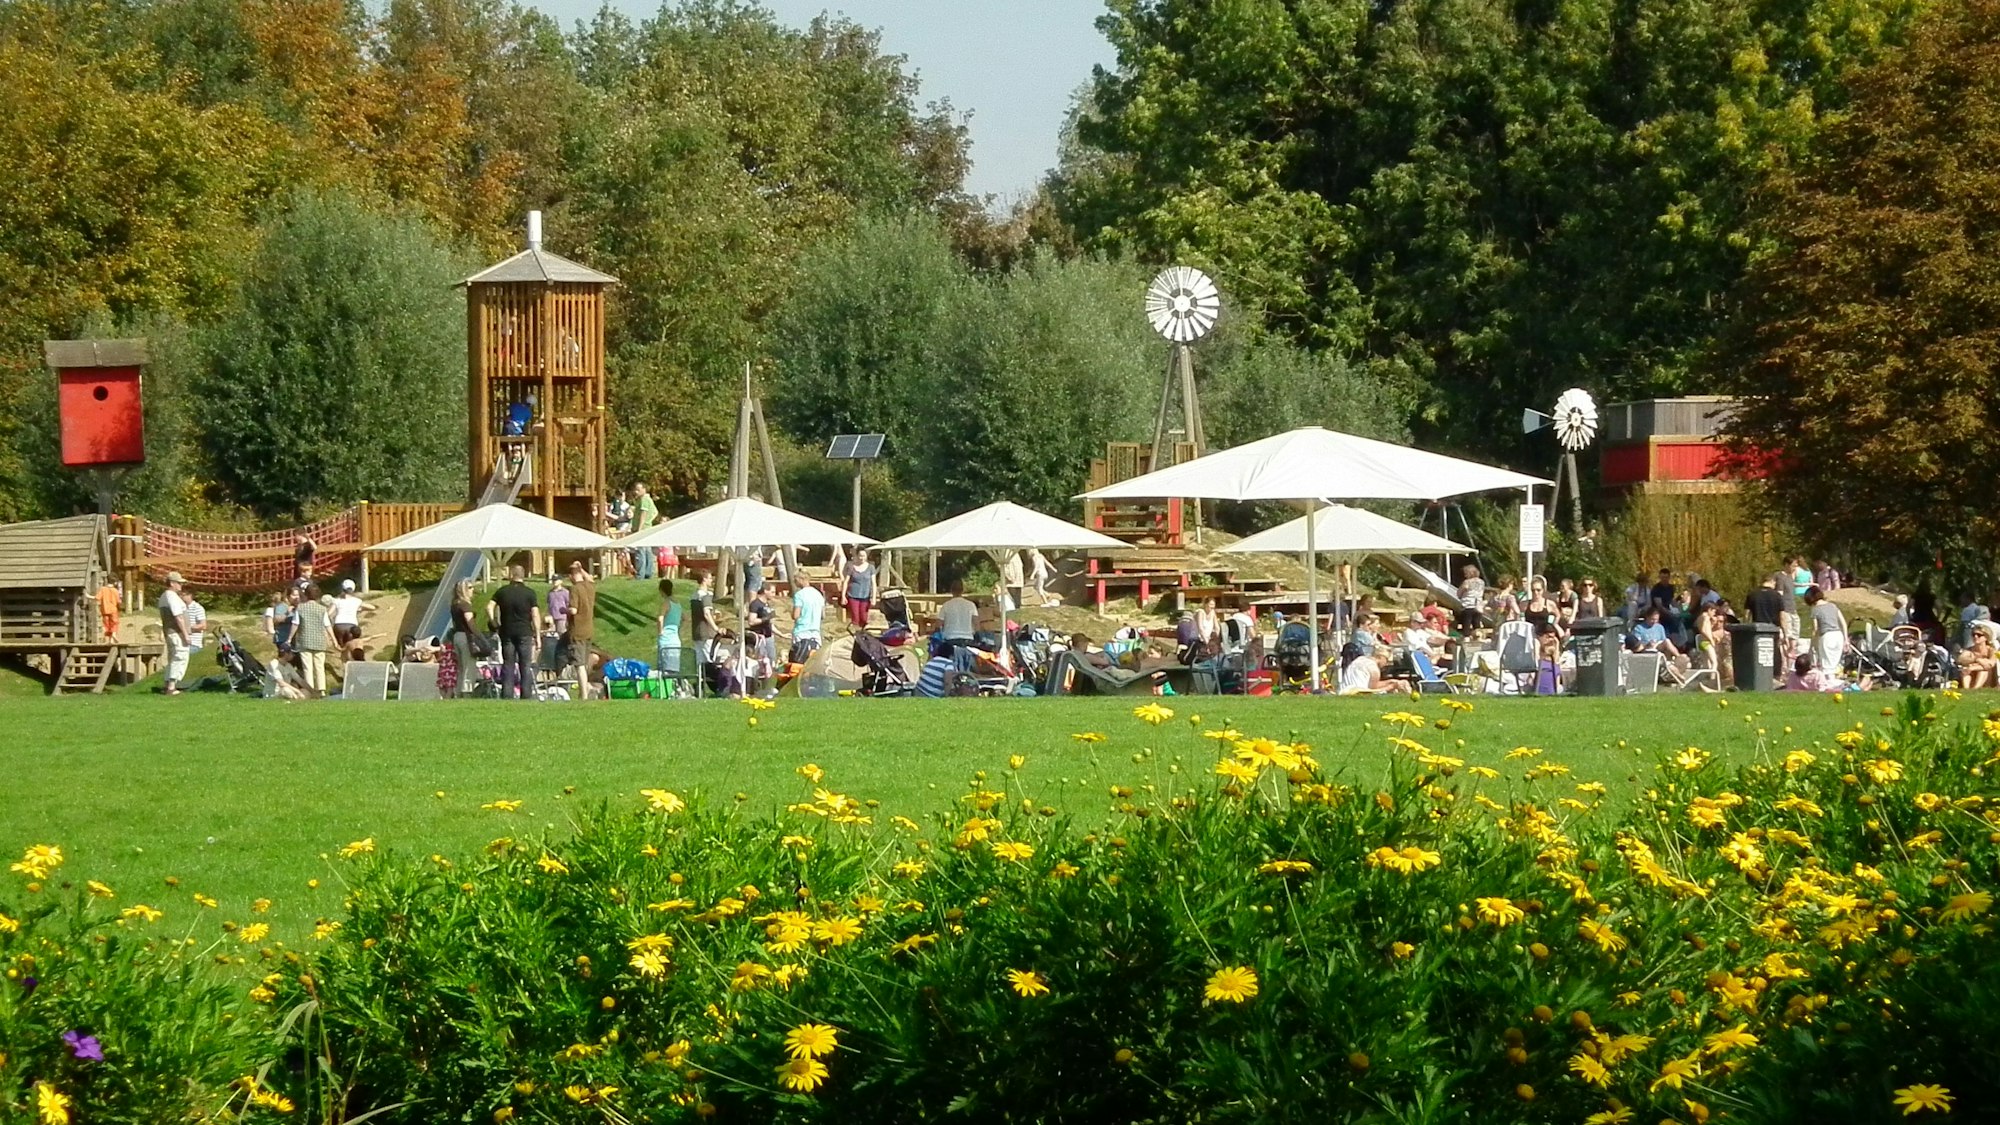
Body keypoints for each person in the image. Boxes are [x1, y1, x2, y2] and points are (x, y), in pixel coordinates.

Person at [486, 566, 542, 701]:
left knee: (508, 663)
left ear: (511, 575)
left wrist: (493, 622)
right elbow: (535, 615)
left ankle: (507, 694)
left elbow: (489, 606)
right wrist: (538, 635)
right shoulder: (529, 593)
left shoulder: (502, 592)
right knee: (525, 665)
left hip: (507, 632)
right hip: (525, 632)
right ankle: (526, 695)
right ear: (523, 575)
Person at [292, 584, 333, 696]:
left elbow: (295, 624)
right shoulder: (322, 609)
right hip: (319, 641)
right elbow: (327, 625)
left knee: (307, 667)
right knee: (319, 666)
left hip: (305, 640)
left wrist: (289, 638)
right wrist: (333, 639)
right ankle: (322, 690)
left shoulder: (300, 608)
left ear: (306, 594)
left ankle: (310, 690)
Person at [157, 571, 192, 695]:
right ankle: (171, 686)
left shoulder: (164, 596)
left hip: (171, 632)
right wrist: (185, 634)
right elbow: (178, 617)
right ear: (172, 583)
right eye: (178, 583)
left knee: (172, 657)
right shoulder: (171, 596)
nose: (180, 586)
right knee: (180, 656)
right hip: (176, 632)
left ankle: (167, 685)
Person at [565, 560, 597, 687]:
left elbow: (573, 610)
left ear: (571, 576)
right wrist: (581, 568)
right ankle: (586, 688)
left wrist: (564, 610)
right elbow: (591, 579)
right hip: (589, 629)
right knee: (584, 661)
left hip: (577, 631)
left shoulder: (575, 589)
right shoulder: (589, 586)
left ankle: (583, 693)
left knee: (579, 664)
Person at [1805, 585, 1848, 678]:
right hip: (1838, 635)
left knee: (1826, 667)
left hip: (1827, 637)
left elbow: (1815, 629)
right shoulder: (1833, 606)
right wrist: (1846, 639)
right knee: (1834, 664)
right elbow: (1843, 623)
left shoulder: (1815, 609)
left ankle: (1829, 686)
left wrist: (1812, 645)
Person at [447, 579, 479, 695]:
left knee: (460, 666)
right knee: (469, 665)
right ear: (464, 590)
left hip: (457, 636)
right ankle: (467, 691)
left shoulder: (454, 604)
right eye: (470, 587)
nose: (472, 590)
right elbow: (470, 622)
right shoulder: (465, 605)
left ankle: (458, 691)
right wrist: (479, 636)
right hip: (466, 637)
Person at [330, 579, 374, 661]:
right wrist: (360, 609)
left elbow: (329, 613)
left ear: (342, 588)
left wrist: (332, 620)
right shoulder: (356, 601)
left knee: (343, 648)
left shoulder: (337, 600)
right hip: (351, 625)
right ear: (353, 589)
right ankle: (353, 665)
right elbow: (372, 607)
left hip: (339, 625)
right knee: (352, 647)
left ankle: (344, 666)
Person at [1338, 647, 1410, 695]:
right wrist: (1392, 686)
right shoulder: (1374, 669)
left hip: (1344, 691)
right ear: (1381, 657)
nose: (1387, 664)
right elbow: (1373, 689)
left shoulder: (1360, 659)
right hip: (1357, 693)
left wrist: (1392, 681)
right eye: (1387, 660)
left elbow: (1373, 684)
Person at [789, 572, 825, 666]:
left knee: (798, 661)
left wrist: (791, 612)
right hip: (815, 631)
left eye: (795, 581)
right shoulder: (818, 595)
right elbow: (823, 615)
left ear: (801, 580)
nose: (795, 583)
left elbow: (796, 615)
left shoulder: (799, 595)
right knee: (813, 662)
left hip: (801, 631)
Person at [656, 579, 685, 678]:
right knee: (674, 669)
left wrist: (660, 632)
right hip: (675, 639)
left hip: (666, 640)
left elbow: (660, 618)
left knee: (664, 669)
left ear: (661, 590)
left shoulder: (666, 603)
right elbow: (684, 618)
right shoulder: (677, 604)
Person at [842, 548, 876, 630]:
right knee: (855, 617)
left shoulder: (871, 568)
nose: (862, 558)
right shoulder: (851, 567)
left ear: (866, 556)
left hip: (865, 597)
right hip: (853, 596)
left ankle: (863, 633)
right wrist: (843, 596)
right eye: (860, 556)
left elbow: (873, 583)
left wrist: (874, 597)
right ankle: (856, 634)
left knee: (864, 618)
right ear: (857, 556)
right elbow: (846, 581)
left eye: (864, 556)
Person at [937, 582, 978, 646]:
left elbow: (939, 624)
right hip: (967, 638)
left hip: (950, 638)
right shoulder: (971, 605)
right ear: (962, 590)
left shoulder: (946, 605)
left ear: (951, 591)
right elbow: (976, 622)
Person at [632, 483, 659, 579]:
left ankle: (640, 574)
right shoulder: (648, 499)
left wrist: (640, 528)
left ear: (644, 489)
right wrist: (649, 521)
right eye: (635, 489)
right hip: (647, 528)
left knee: (640, 553)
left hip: (642, 529)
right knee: (647, 552)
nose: (636, 492)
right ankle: (648, 573)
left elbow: (643, 514)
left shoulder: (644, 499)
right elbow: (655, 512)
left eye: (638, 490)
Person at [1959, 626, 1997, 690]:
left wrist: (1973, 667)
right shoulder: (1969, 650)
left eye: (1979, 635)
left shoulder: (1991, 650)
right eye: (1973, 635)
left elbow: (1990, 665)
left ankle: (1976, 689)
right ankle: (1966, 689)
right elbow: (1961, 659)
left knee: (1983, 670)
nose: (1975, 637)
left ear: (1986, 637)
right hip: (1971, 676)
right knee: (1965, 669)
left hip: (1988, 679)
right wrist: (1976, 660)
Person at [1455, 565, 1486, 633]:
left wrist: (1461, 595)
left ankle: (1466, 638)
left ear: (1470, 573)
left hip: (1467, 605)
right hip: (1478, 606)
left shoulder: (1467, 582)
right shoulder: (1481, 582)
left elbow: (1459, 593)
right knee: (1476, 625)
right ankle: (1477, 639)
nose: (1465, 575)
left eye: (1466, 573)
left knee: (1466, 625)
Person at [183, 589, 207, 666]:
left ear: (190, 595)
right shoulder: (181, 607)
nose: (181, 597)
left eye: (183, 595)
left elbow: (203, 625)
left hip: (193, 643)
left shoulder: (197, 608)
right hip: (183, 642)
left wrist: (188, 628)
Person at [546, 577, 572, 641]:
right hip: (552, 618)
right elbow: (549, 604)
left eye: (556, 580)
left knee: (562, 635)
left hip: (562, 617)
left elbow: (568, 604)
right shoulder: (550, 593)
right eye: (553, 580)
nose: (554, 582)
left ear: (561, 581)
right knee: (552, 636)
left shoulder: (565, 592)